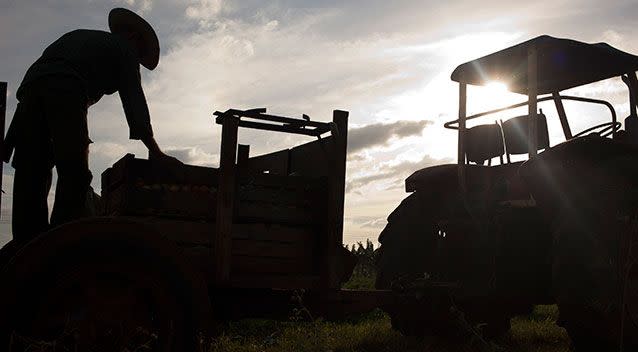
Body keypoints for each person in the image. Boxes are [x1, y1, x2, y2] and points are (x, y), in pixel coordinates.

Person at [3, 8, 180, 243]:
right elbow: (134, 102)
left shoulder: (82, 37)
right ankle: (60, 241)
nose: (136, 59)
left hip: (29, 91)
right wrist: (155, 151)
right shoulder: (124, 49)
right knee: (74, 172)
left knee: (33, 170)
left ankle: (26, 244)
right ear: (134, 39)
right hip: (65, 87)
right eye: (139, 54)